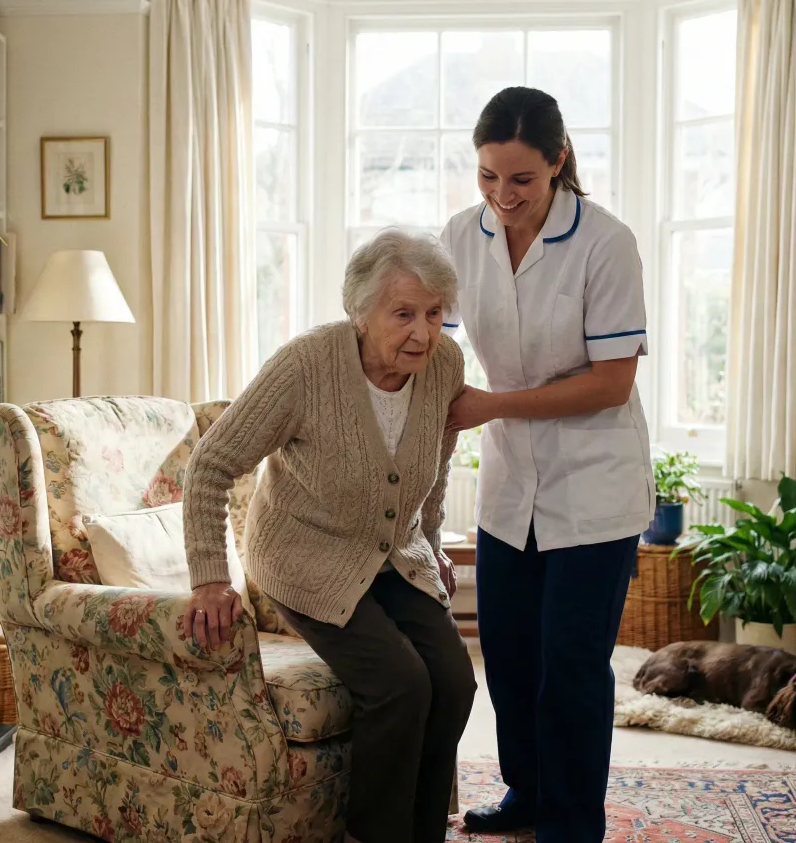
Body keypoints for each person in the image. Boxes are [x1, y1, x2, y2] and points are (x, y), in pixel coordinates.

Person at [181, 229, 476, 843]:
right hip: (303, 555)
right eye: (403, 314)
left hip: (394, 554)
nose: (423, 332)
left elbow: (435, 468)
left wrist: (432, 541)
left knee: (454, 680)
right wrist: (210, 576)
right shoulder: (305, 366)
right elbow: (209, 466)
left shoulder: (445, 364)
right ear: (360, 312)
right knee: (400, 683)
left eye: (433, 313)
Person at [440, 86, 653, 843]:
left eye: (521, 179)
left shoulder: (605, 241)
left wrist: (492, 405)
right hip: (509, 491)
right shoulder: (462, 236)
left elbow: (611, 382)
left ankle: (570, 824)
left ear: (559, 162)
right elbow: (436, 334)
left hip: (593, 489)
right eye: (488, 176)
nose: (502, 196)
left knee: (570, 666)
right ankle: (528, 794)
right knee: (510, 658)